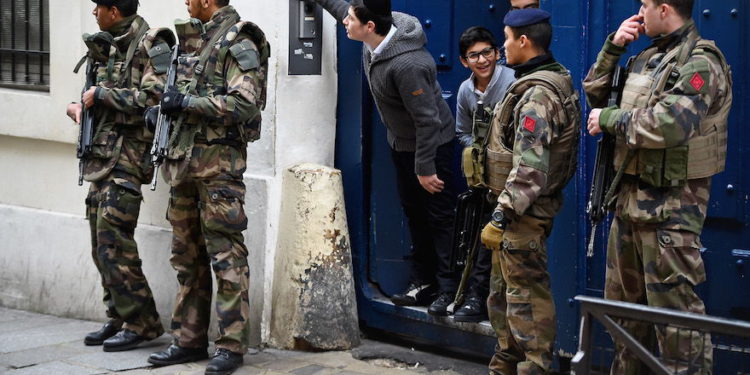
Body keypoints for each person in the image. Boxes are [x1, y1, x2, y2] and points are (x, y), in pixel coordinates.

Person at [583, 0, 732, 373]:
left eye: (645, 5)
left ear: (664, 8)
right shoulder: (648, 57)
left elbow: (672, 123)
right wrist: (613, 47)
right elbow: (595, 96)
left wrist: (612, 120)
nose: (639, 11)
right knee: (625, 317)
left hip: (671, 212)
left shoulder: (701, 62)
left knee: (678, 323)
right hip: (629, 203)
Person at [145, 0, 270, 374]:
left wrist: (187, 103)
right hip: (182, 165)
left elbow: (243, 104)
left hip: (218, 170)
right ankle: (188, 338)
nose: (186, 1)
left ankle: (231, 346)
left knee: (226, 257)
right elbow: (177, 96)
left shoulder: (239, 39)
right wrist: (161, 111)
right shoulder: (191, 41)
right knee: (187, 258)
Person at [312, 0, 460, 316]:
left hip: (432, 147)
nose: (345, 23)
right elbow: (342, 8)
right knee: (414, 214)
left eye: (351, 20)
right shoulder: (373, 31)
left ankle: (449, 289)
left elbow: (428, 121)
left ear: (369, 27)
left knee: (439, 217)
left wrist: (424, 167)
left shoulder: (408, 65)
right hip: (403, 145)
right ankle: (424, 282)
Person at [65, 0, 174, 352]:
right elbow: (98, 95)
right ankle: (120, 315)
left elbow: (154, 98)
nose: (93, 13)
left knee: (115, 240)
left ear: (113, 10)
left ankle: (143, 323)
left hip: (128, 158)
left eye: (98, 7)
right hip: (102, 155)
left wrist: (102, 96)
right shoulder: (106, 46)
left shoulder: (151, 44)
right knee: (100, 243)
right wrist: (81, 106)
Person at [480, 9, 580, 375]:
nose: (502, 46)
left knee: (525, 299)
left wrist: (500, 215)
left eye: (505, 38)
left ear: (524, 41)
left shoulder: (538, 94)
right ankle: (505, 365)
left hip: (521, 215)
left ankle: (533, 368)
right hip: (514, 216)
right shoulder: (547, 79)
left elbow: (529, 169)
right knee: (504, 296)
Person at [453, 26, 515, 323]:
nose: (482, 60)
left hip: (513, 177)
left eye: (486, 53)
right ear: (464, 61)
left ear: (497, 53)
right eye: (473, 56)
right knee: (481, 236)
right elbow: (462, 131)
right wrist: (478, 152)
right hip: (484, 179)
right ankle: (477, 296)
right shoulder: (466, 90)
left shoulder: (513, 82)